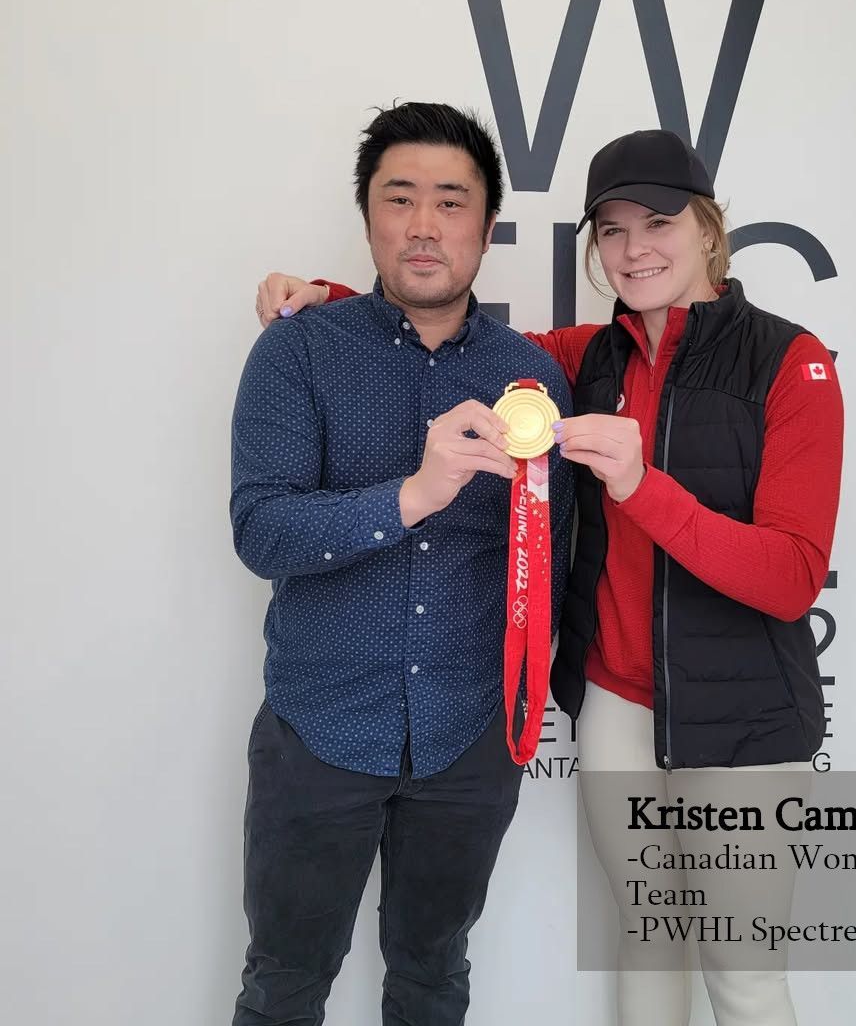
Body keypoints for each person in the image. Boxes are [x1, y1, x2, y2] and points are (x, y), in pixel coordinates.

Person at [256, 129, 843, 1026]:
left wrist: (644, 489)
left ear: (709, 228)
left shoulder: (791, 361)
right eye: (612, 230)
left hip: (745, 717)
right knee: (647, 939)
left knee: (745, 971)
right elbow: (445, 335)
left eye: (659, 222)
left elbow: (794, 578)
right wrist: (331, 301)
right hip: (615, 705)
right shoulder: (585, 359)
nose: (634, 249)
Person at [230, 101, 573, 1026]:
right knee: (283, 984)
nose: (425, 225)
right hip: (318, 729)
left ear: (487, 228)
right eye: (400, 198)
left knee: (433, 978)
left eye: (451, 202)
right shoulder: (297, 351)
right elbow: (262, 531)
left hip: (469, 736)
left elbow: (551, 557)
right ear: (368, 217)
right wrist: (412, 496)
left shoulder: (532, 379)